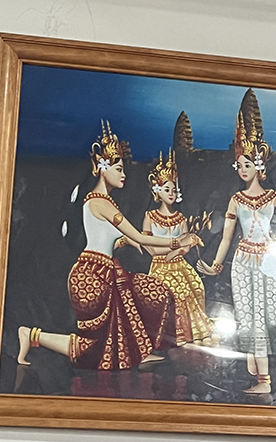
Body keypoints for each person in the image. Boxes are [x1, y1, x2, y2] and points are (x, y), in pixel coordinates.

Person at [17, 122, 201, 371]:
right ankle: (31, 335)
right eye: (119, 168)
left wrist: (145, 243)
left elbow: (125, 239)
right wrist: (176, 242)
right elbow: (139, 237)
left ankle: (140, 352)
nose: (123, 174)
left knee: (153, 293)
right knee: (91, 348)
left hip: (105, 271)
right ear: (103, 169)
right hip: (93, 277)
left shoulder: (104, 202)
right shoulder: (100, 203)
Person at [197, 111, 276, 394]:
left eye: (248, 164)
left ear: (259, 165)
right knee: (247, 318)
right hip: (243, 261)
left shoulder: (273, 197)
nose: (242, 169)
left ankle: (264, 380)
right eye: (240, 165)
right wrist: (216, 265)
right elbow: (226, 237)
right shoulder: (236, 200)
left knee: (267, 319)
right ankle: (258, 378)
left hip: (269, 262)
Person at [142, 149, 215, 346]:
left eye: (174, 190)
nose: (171, 194)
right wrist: (175, 246)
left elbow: (187, 245)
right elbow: (151, 249)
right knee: (179, 293)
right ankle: (177, 335)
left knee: (197, 287)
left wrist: (178, 250)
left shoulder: (180, 218)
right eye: (167, 190)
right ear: (157, 191)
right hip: (160, 267)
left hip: (180, 263)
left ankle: (198, 333)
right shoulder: (150, 217)